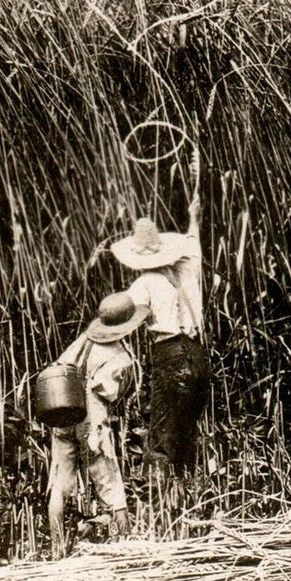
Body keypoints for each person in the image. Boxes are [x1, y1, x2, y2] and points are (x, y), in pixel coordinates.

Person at [109, 157, 210, 475]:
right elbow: (194, 235)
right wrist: (194, 215)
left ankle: (159, 505)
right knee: (187, 434)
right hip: (198, 356)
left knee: (162, 435)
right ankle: (188, 500)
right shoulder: (189, 268)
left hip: (169, 355)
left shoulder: (144, 284)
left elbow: (124, 320)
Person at [47, 292, 149, 556]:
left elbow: (61, 367)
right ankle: (125, 544)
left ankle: (56, 548)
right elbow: (106, 391)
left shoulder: (83, 341)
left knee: (60, 482)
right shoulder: (119, 357)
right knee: (110, 481)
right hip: (92, 422)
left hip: (64, 414)